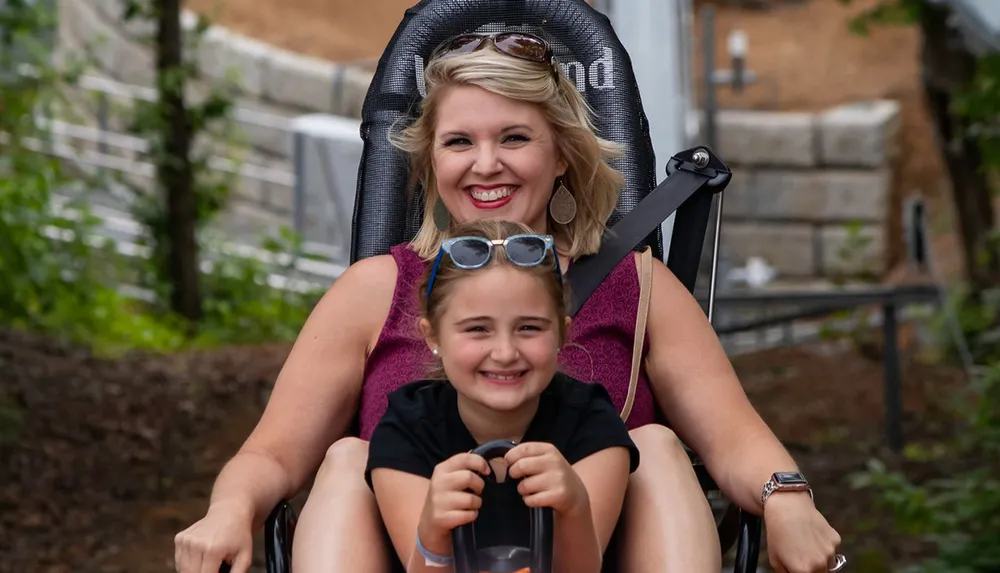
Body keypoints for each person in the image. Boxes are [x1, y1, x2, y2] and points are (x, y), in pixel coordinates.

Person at [174, 30, 844, 573]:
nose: (485, 164)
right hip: (409, 553)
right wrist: (230, 509)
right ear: (431, 162)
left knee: (660, 449)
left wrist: (786, 495)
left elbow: (731, 435)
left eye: (514, 138)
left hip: (594, 551)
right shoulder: (377, 290)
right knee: (348, 459)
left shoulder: (638, 287)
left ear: (560, 154)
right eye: (460, 141)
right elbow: (273, 453)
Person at [366, 219, 640, 573]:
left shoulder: (593, 423)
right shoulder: (406, 428)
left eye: (529, 328)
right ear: (433, 336)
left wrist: (575, 508)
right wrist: (432, 535)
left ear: (562, 333)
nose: (505, 352)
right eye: (478, 329)